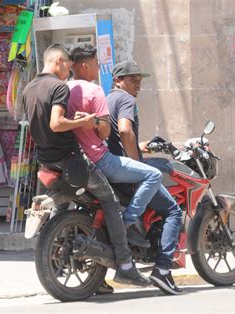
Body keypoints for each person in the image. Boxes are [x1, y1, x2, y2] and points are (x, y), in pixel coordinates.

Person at [21, 43, 149, 288]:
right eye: (67, 65)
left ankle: (93, 276)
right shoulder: (58, 86)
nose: (68, 71)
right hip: (72, 160)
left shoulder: (29, 88)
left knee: (83, 207)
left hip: (47, 161)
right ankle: (125, 264)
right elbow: (57, 124)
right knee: (110, 201)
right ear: (58, 62)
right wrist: (86, 121)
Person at [106, 60, 184, 295]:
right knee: (173, 211)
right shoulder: (126, 100)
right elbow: (124, 131)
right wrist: (137, 164)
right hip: (126, 172)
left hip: (111, 167)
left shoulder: (107, 99)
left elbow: (117, 140)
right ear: (118, 80)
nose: (137, 84)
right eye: (132, 79)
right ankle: (162, 270)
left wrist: (143, 147)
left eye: (139, 80)